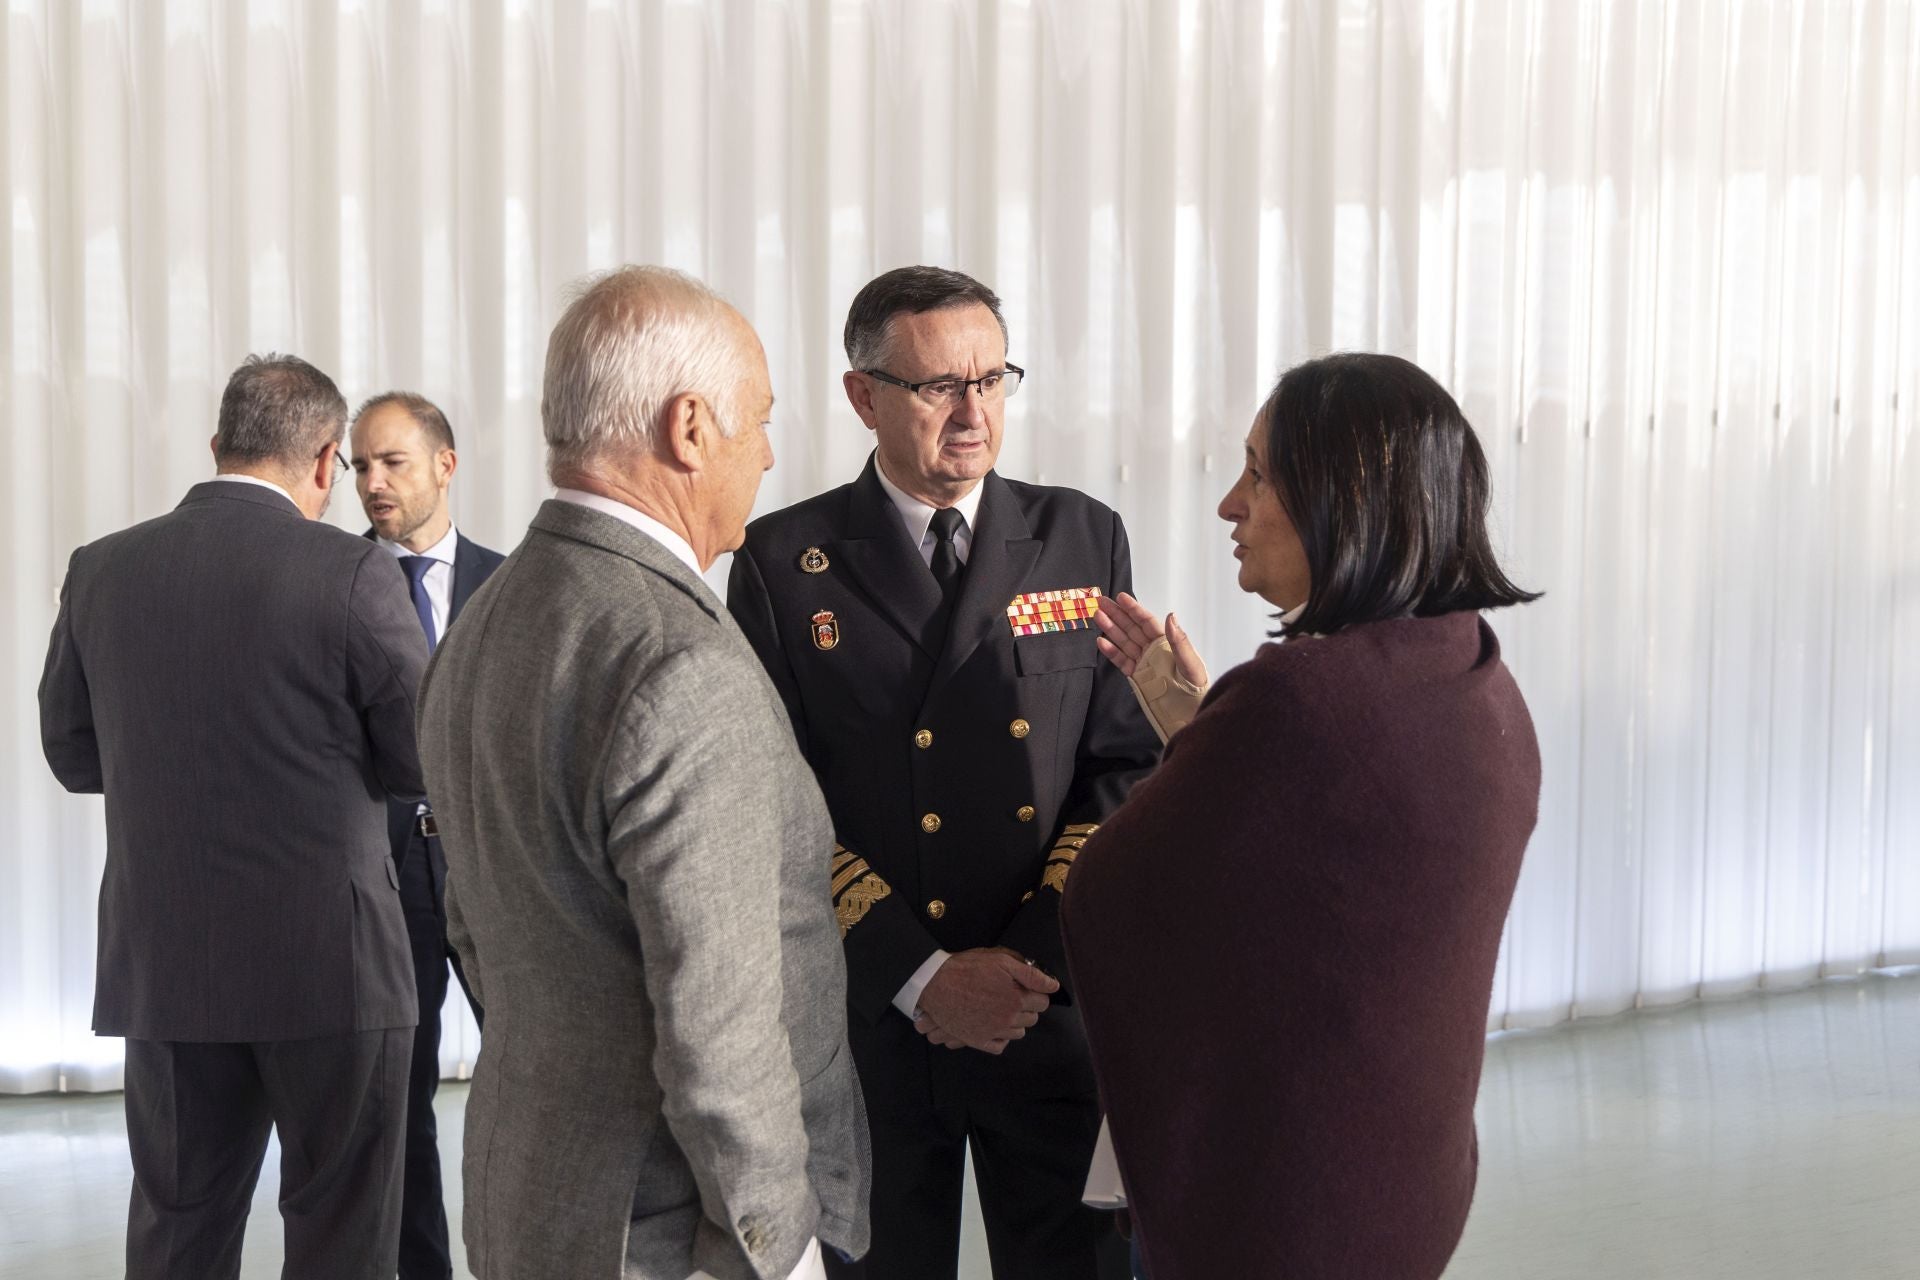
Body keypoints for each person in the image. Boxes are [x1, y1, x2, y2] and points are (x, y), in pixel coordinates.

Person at [415, 266, 870, 1279]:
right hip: (675, 1235)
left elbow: (475, 932)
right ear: (690, 428)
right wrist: (777, 1246)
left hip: (532, 1188)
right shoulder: (681, 661)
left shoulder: (482, 619)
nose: (767, 452)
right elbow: (721, 1023)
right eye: (758, 418)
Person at [1062, 352, 1544, 1280]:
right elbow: (1329, 882)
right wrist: (1201, 733)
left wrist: (1212, 746)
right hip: (1402, 1184)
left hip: (1280, 1208)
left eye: (1259, 474)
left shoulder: (1296, 699)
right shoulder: (1474, 671)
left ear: (1345, 497)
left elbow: (1110, 899)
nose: (1229, 505)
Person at [726, 265, 1160, 1279]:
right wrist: (924, 979)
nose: (974, 412)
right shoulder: (785, 562)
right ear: (863, 395)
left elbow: (1122, 763)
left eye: (992, 378)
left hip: (1042, 1005)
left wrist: (1021, 965)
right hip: (877, 1014)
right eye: (937, 387)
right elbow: (771, 801)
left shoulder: (1079, 534)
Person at [38, 354, 428, 1279]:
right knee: (343, 1236)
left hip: (167, 966)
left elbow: (70, 750)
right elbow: (421, 755)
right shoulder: (354, 573)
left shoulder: (102, 568)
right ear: (328, 461)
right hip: (334, 969)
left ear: (217, 446)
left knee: (179, 1233)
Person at [348, 390, 503, 1280]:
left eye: (393, 462)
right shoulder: (331, 581)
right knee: (393, 1103)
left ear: (446, 465)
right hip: (379, 875)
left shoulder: (514, 580)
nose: (372, 482)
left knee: (535, 1077)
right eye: (361, 464)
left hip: (494, 871)